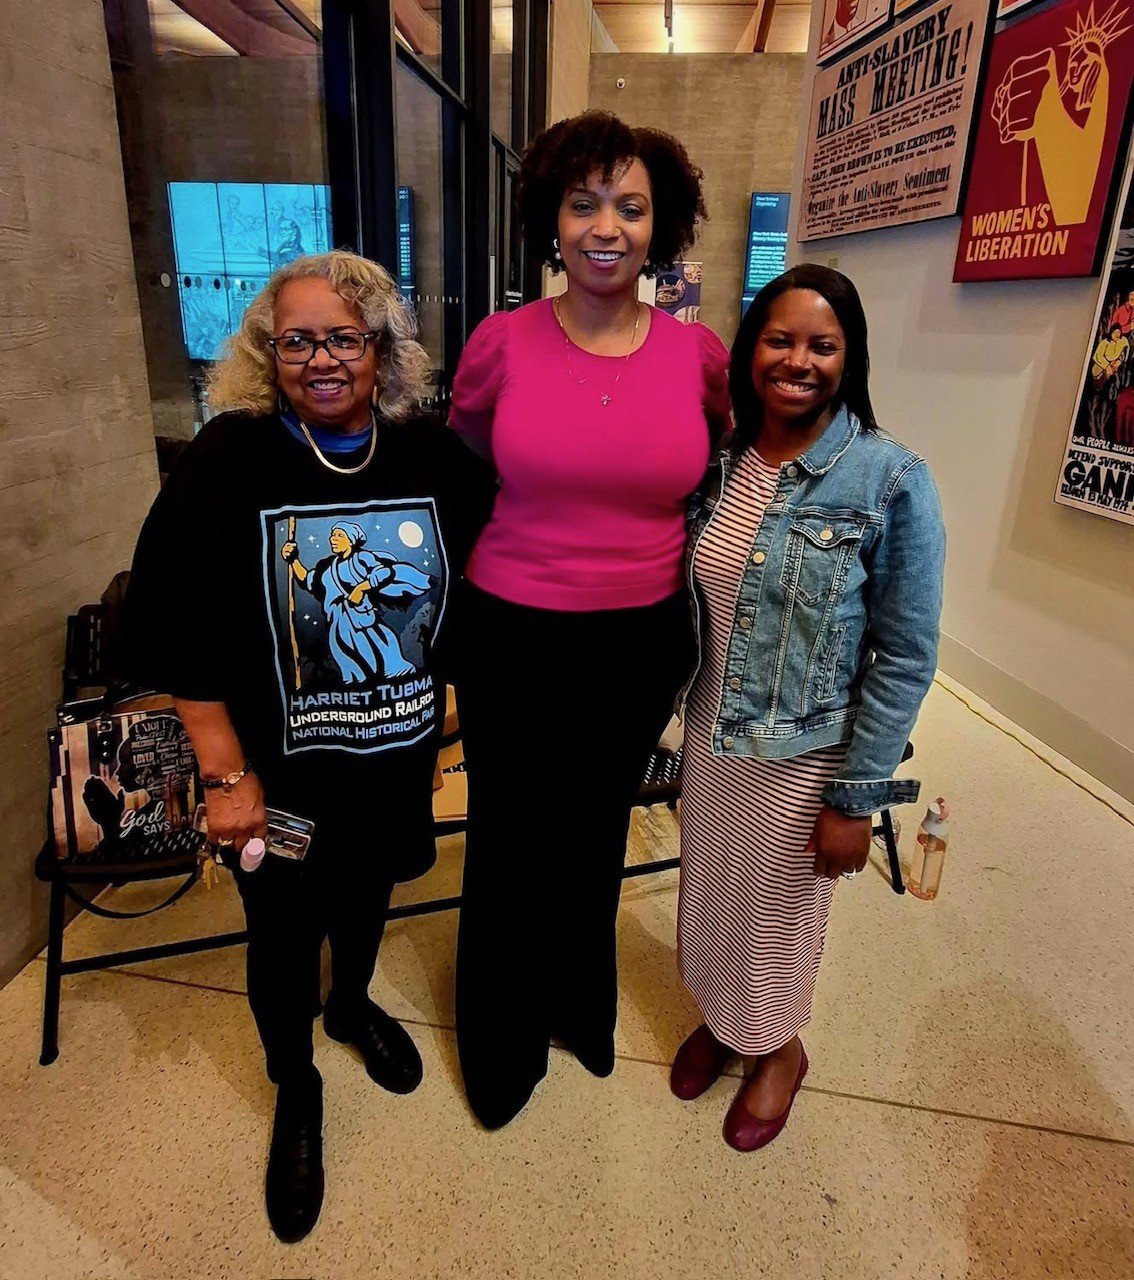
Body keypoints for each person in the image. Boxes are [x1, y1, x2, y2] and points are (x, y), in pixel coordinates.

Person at [122, 251, 495, 1240]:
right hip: (274, 781)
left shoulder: (426, 454)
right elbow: (167, 622)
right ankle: (297, 1084)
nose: (322, 358)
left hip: (389, 766)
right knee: (284, 930)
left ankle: (355, 1005)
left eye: (345, 337)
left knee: (369, 897)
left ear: (381, 350)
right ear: (268, 352)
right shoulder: (227, 459)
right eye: (298, 340)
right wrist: (224, 773)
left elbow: (505, 551)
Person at [448, 111, 731, 1129]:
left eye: (631, 205)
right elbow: (472, 452)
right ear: (551, 221)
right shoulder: (500, 342)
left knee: (594, 827)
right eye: (583, 203)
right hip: (513, 629)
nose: (605, 225)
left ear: (662, 226)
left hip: (639, 639)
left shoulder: (700, 357)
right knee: (513, 832)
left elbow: (724, 464)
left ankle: (580, 999)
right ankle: (501, 1032)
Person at [671, 265, 944, 1151]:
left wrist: (855, 798)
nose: (797, 361)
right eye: (778, 341)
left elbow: (904, 655)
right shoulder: (724, 462)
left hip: (803, 756)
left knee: (778, 912)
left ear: (850, 357)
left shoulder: (888, 479)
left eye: (821, 346)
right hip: (712, 733)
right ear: (751, 350)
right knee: (714, 894)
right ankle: (725, 1021)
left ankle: (777, 1048)